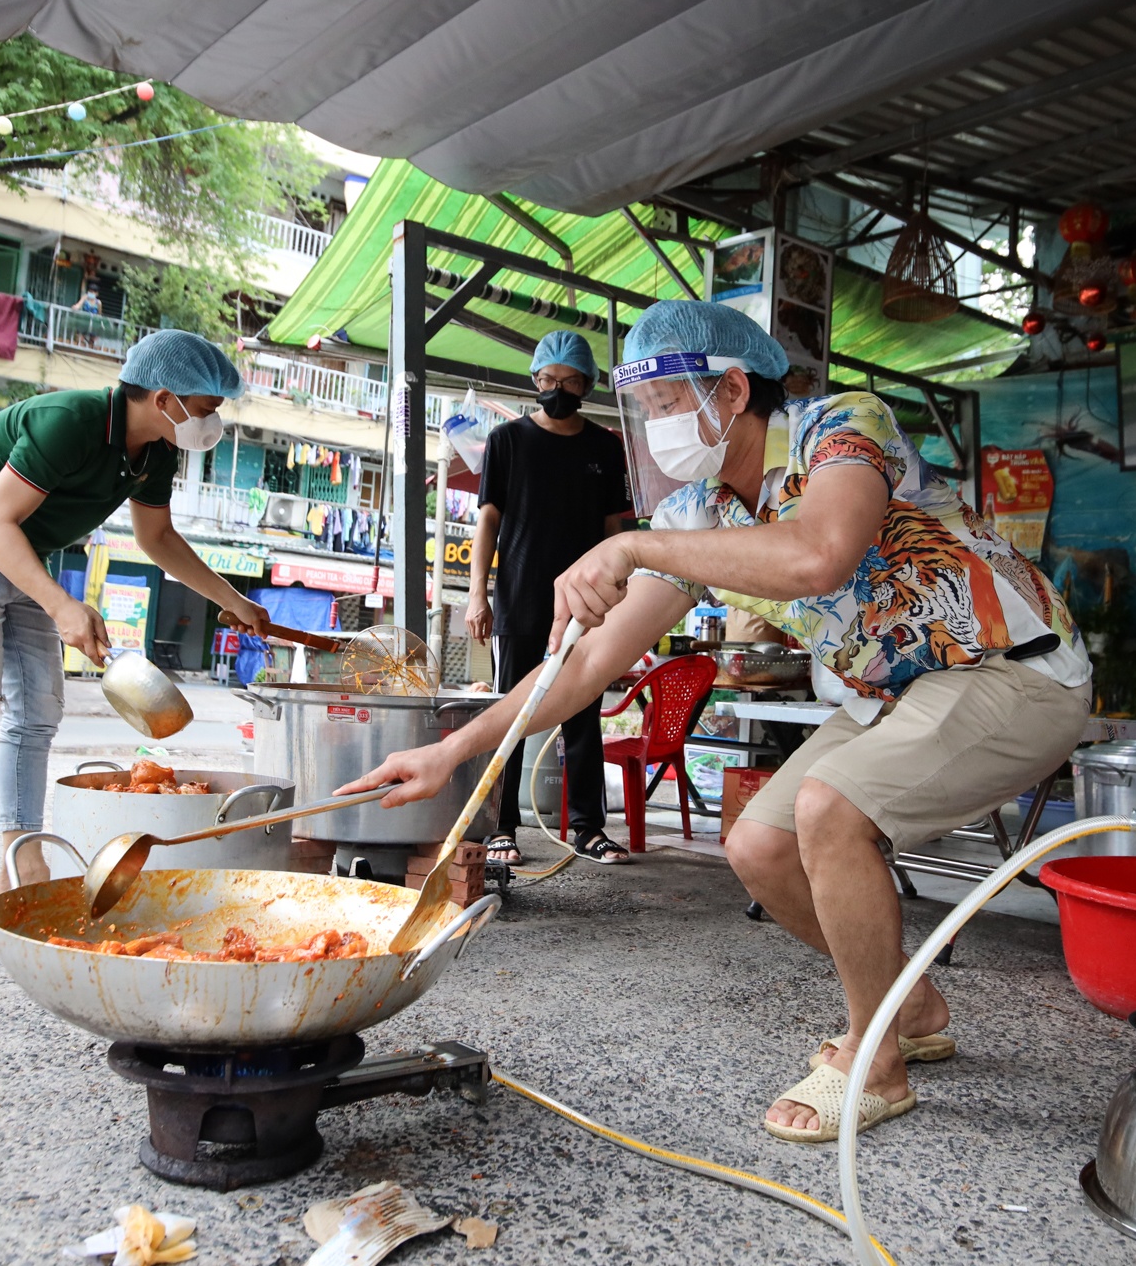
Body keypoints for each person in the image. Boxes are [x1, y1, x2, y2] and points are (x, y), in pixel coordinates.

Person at [352, 301, 1092, 1141]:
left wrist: (633, 546)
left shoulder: (841, 426)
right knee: (760, 845)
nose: (655, 427)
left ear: (733, 390)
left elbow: (820, 553)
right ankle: (910, 1004)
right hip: (896, 692)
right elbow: (587, 665)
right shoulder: (699, 511)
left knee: (830, 809)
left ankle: (876, 1058)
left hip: (1011, 666)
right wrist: (451, 750)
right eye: (645, 410)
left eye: (667, 403)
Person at [0, 330, 270, 951]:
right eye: (207, 408)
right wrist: (61, 605)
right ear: (164, 398)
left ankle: (23, 867)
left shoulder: (157, 450)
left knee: (37, 714)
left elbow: (157, 539)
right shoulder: (69, 422)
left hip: (22, 550)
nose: (212, 422)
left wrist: (232, 600)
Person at [463, 330, 634, 867]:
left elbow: (614, 529)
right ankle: (500, 827)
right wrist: (477, 594)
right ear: (535, 380)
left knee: (583, 712)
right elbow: (487, 521)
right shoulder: (507, 441)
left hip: (587, 602)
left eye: (570, 381)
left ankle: (587, 829)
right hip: (520, 598)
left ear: (587, 384)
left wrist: (620, 600)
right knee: (512, 711)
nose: (558, 389)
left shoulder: (605, 447)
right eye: (548, 379)